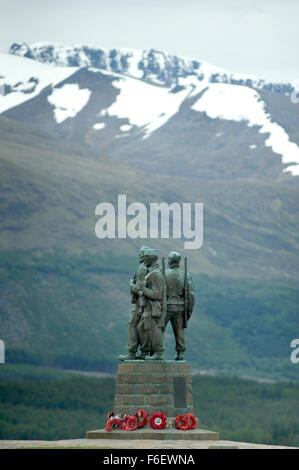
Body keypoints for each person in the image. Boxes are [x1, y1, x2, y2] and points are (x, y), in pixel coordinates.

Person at [118, 246, 150, 361]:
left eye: (141, 253)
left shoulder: (142, 268)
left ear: (145, 256)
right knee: (142, 328)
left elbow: (140, 289)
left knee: (132, 325)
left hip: (141, 304)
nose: (139, 255)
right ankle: (145, 352)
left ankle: (131, 352)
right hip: (146, 304)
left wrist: (131, 285)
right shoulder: (148, 268)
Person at [163, 251, 194, 361]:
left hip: (166, 307)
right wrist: (189, 310)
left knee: (160, 329)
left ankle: (158, 351)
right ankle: (180, 353)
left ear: (170, 261)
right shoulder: (185, 275)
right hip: (180, 308)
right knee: (179, 331)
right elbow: (190, 294)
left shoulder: (164, 273)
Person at [137, 248, 165, 361]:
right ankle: (145, 351)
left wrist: (143, 289)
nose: (144, 260)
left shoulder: (155, 275)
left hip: (153, 307)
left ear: (150, 259)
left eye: (146, 258)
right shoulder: (151, 273)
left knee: (154, 329)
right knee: (142, 328)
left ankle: (158, 352)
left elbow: (157, 295)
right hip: (148, 306)